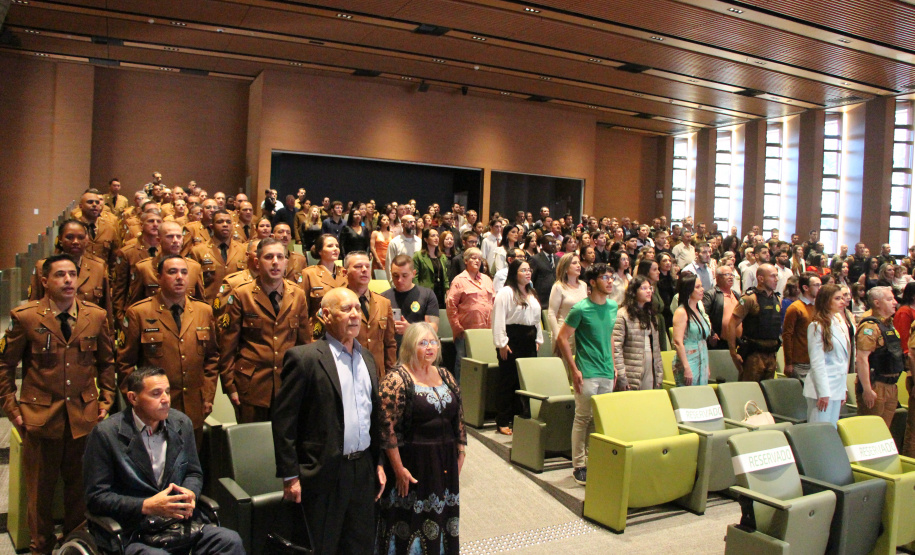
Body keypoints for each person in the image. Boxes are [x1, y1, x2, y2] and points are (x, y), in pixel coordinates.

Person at [0, 254, 116, 555]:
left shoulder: (96, 316)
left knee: (79, 490)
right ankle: (42, 548)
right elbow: (4, 367)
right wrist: (13, 410)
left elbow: (106, 362)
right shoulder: (26, 317)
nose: (67, 280)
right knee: (40, 493)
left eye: (72, 274)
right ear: (44, 281)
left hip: (83, 417)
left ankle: (75, 546)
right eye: (60, 275)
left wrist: (106, 400)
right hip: (40, 417)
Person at [272, 288, 386, 555]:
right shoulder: (305, 358)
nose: (355, 315)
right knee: (324, 546)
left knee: (360, 545)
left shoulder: (367, 358)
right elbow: (284, 423)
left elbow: (374, 417)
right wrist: (290, 477)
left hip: (362, 470)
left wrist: (378, 462)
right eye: (346, 309)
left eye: (358, 308)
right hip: (324, 472)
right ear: (325, 315)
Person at [83, 367, 244, 555]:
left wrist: (190, 493)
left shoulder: (181, 423)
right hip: (133, 531)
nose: (166, 399)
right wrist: (146, 505)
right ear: (133, 398)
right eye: (156, 393)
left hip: (178, 525)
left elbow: (193, 473)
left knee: (229, 541)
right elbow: (96, 497)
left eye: (167, 391)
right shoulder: (106, 435)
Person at [377, 323, 465, 555]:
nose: (430, 348)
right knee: (411, 522)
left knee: (443, 517)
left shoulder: (445, 374)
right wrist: (398, 469)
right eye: (422, 343)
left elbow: (458, 415)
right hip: (413, 464)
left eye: (433, 342)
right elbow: (387, 428)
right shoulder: (396, 379)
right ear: (409, 346)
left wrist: (461, 449)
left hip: (444, 462)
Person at [118, 255, 219, 449]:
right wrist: (138, 403)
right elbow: (125, 364)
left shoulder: (202, 311)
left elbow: (212, 358)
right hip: (152, 410)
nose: (179, 277)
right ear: (159, 277)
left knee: (189, 465)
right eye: (172, 272)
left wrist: (207, 395)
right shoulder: (139, 312)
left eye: (183, 272)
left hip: (193, 407)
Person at [218, 238, 310, 423]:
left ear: (286, 262)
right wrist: (230, 386)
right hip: (252, 387)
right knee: (254, 445)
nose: (275, 262)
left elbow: (304, 345)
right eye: (268, 257)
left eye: (280, 257)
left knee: (286, 445)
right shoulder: (241, 294)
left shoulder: (297, 295)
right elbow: (228, 346)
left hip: (288, 385)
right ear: (256, 262)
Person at [555, 263, 619, 486]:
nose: (610, 281)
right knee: (583, 418)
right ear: (592, 282)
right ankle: (579, 465)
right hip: (587, 371)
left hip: (606, 370)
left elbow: (609, 336)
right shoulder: (581, 308)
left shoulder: (612, 307)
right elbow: (562, 338)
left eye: (611, 277)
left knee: (599, 419)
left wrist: (614, 364)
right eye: (605, 277)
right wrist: (574, 369)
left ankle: (594, 460)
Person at [492, 259, 544, 435]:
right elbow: (498, 319)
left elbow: (537, 319)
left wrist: (538, 338)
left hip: (528, 338)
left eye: (529, 270)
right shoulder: (506, 293)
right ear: (515, 274)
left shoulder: (532, 292)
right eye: (523, 270)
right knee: (509, 380)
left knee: (526, 381)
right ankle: (503, 420)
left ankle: (521, 418)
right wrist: (502, 344)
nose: (528, 273)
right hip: (511, 338)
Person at [29, 220, 110, 312]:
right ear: (60, 239)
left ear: (87, 240)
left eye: (80, 237)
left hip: (87, 324)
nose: (75, 242)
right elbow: (34, 305)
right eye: (69, 237)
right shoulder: (43, 266)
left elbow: (105, 309)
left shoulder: (98, 267)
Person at [855, 286, 902, 430]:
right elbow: (862, 359)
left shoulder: (889, 325)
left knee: (884, 431)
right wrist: (867, 389)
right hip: (876, 385)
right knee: (870, 430)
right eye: (889, 299)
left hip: (891, 385)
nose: (894, 302)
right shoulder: (870, 326)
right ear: (877, 303)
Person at [346, 251, 398, 379]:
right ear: (345, 271)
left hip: (377, 374)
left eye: (367, 266)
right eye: (358, 266)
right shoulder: (336, 302)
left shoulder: (383, 303)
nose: (364, 270)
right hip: (348, 371)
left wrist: (391, 374)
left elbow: (390, 344)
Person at [445, 247, 494, 380]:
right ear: (465, 261)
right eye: (473, 258)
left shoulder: (487, 279)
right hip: (465, 331)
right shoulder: (459, 280)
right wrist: (457, 327)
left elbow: (494, 302)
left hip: (486, 331)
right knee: (463, 362)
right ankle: (460, 392)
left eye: (479, 258)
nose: (477, 261)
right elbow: (451, 305)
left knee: (483, 363)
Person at [805, 284, 851, 426]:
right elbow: (817, 362)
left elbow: (843, 360)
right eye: (837, 298)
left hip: (837, 386)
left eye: (843, 298)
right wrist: (823, 392)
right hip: (822, 388)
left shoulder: (839, 321)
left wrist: (844, 388)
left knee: (832, 430)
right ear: (826, 301)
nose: (842, 301)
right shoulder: (816, 326)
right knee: (819, 431)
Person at [728, 264, 782, 382]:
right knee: (749, 391)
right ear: (761, 278)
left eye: (777, 276)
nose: (776, 279)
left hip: (771, 354)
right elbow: (732, 324)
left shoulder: (777, 299)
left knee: (768, 392)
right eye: (773, 276)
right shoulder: (749, 299)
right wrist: (733, 352)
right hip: (753, 355)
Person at [613, 276, 663, 390]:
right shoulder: (622, 315)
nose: (649, 291)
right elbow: (616, 348)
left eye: (650, 288)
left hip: (650, 364)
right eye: (644, 288)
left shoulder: (651, 315)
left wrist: (659, 373)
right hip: (631, 367)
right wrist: (621, 375)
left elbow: (656, 347)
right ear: (634, 292)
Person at [188, 210, 248, 302]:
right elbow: (194, 285)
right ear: (211, 227)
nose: (225, 225)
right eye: (220, 222)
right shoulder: (198, 251)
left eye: (228, 222)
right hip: (209, 306)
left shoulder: (243, 250)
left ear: (232, 226)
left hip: (235, 306)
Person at [383, 254, 440, 347]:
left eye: (404, 275)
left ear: (413, 273)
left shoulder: (427, 294)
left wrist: (410, 329)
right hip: (391, 348)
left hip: (417, 348)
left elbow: (433, 328)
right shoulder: (383, 297)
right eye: (395, 275)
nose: (400, 280)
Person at [672, 272, 711, 386]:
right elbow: (678, 342)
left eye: (701, 286)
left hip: (702, 357)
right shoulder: (681, 312)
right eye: (697, 287)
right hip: (689, 359)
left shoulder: (698, 310)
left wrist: (706, 366)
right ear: (689, 290)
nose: (702, 289)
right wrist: (686, 367)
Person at [781, 272, 821, 381]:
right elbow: (787, 336)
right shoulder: (795, 308)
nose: (820, 288)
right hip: (800, 363)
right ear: (805, 287)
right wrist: (788, 363)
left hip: (816, 360)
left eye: (820, 285)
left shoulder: (818, 307)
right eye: (816, 285)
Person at [547, 252, 588, 351]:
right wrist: (558, 337)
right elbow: (551, 313)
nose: (578, 265)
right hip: (564, 332)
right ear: (565, 268)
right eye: (574, 263)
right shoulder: (558, 287)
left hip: (581, 332)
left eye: (578, 263)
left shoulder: (583, 285)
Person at [702, 265, 740, 351]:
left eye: (732, 275)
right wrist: (711, 333)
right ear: (718, 277)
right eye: (727, 274)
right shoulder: (711, 294)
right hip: (720, 342)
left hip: (738, 342)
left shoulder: (736, 294)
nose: (730, 277)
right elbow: (703, 315)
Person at [413, 227, 450, 308]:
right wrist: (418, 293)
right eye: (433, 236)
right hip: (425, 293)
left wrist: (447, 292)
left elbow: (445, 277)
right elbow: (415, 277)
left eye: (437, 236)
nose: (436, 238)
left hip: (440, 293)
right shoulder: (418, 256)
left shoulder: (442, 256)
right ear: (426, 239)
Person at [386, 214, 421, 279]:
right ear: (402, 225)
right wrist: (393, 284)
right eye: (410, 222)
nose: (413, 224)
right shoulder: (395, 243)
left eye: (414, 222)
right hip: (401, 281)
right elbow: (389, 265)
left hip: (417, 281)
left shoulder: (420, 242)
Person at [529, 234, 560, 307]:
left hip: (557, 294)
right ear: (542, 245)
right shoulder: (535, 259)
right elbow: (531, 278)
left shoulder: (558, 258)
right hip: (542, 297)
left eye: (554, 243)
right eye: (550, 243)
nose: (553, 245)